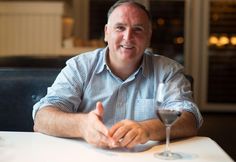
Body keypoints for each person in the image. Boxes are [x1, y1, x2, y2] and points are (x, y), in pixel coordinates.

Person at [33, 0, 203, 149]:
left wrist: (147, 129)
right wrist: (82, 125)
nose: (128, 37)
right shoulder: (79, 67)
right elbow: (43, 118)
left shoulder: (168, 71)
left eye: (137, 29)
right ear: (107, 32)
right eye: (120, 27)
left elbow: (189, 120)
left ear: (148, 36)